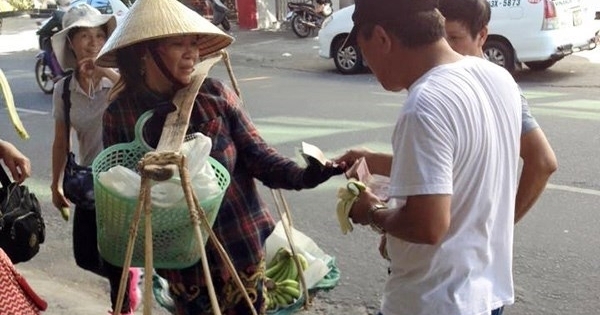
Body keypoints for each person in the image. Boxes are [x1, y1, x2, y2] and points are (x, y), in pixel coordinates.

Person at [95, 0, 344, 314]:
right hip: (183, 267)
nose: (193, 54)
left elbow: (259, 157)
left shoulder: (214, 96)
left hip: (240, 248)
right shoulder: (121, 115)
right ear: (146, 52)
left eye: (194, 44)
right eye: (178, 44)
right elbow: (120, 200)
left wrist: (305, 175)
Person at [335, 0, 522, 314]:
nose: (367, 64)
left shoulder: (424, 105)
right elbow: (456, 168)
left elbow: (428, 226)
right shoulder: (497, 78)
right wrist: (374, 160)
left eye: (363, 49)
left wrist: (371, 212)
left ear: (382, 38)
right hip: (485, 295)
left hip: (432, 301)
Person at [48, 4, 141, 315]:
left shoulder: (117, 79)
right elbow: (61, 141)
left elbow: (136, 95)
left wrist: (102, 70)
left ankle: (122, 306)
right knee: (84, 255)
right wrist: (54, 183)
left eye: (99, 34)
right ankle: (128, 276)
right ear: (71, 43)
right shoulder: (63, 90)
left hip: (123, 179)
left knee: (115, 256)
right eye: (84, 35)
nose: (92, 42)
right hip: (90, 182)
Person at [438, 0, 558, 224]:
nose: (445, 48)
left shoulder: (497, 85)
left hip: (459, 246)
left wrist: (504, 223)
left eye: (454, 38)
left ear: (482, 35)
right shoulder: (444, 82)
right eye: (440, 38)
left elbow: (543, 161)